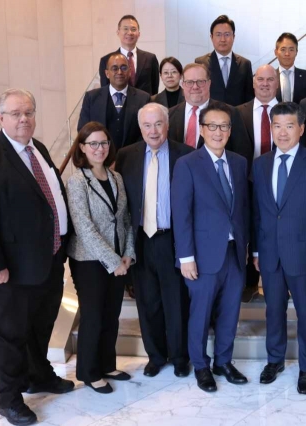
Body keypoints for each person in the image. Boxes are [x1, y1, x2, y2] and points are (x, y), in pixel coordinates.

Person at [0, 88, 74, 426]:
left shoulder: (36, 149)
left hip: (47, 261)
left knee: (40, 326)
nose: (24, 119)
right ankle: (8, 398)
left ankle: (38, 375)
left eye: (28, 113)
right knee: (9, 334)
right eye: (16, 114)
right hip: (8, 269)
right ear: (1, 118)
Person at [252, 102, 306, 394]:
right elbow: (259, 213)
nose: (283, 132)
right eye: (277, 126)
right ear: (270, 128)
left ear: (301, 129)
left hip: (304, 255)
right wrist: (257, 252)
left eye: (289, 126)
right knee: (273, 311)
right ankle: (274, 360)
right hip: (271, 255)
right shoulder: (260, 164)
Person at [171, 103, 250, 393]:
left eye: (224, 126)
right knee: (200, 314)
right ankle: (201, 366)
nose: (219, 132)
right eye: (212, 126)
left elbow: (242, 209)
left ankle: (223, 362)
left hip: (234, 252)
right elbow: (182, 214)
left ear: (230, 130)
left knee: (230, 311)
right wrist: (186, 257)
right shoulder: (187, 164)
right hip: (202, 256)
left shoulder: (240, 163)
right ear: (202, 130)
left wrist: (248, 248)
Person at [115, 103, 194, 378]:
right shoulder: (126, 156)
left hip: (174, 239)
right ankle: (156, 356)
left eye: (158, 124)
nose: (153, 130)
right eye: (147, 125)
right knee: (147, 302)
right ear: (140, 128)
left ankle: (180, 356)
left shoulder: (186, 154)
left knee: (177, 302)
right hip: (141, 240)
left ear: (167, 125)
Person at [66, 121, 135, 394]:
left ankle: (107, 364)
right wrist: (113, 261)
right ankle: (89, 372)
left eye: (103, 143)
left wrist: (128, 253)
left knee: (111, 315)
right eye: (92, 143)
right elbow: (84, 227)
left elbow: (126, 219)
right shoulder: (77, 181)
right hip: (89, 262)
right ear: (82, 147)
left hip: (119, 258)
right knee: (93, 316)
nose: (99, 148)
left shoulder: (116, 177)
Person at [235, 64, 279, 302]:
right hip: (245, 182)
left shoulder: (287, 112)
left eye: (270, 79)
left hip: (278, 182)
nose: (264, 84)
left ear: (277, 83)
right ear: (253, 83)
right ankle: (250, 282)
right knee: (248, 226)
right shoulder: (237, 112)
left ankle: (276, 277)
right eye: (260, 79)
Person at [168, 63, 251, 162]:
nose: (195, 87)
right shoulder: (169, 115)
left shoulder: (230, 113)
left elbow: (242, 152)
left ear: (209, 83)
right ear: (182, 85)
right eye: (189, 82)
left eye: (200, 82)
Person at [79, 53, 150, 150]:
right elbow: (83, 130)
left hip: (132, 158)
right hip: (100, 157)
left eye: (124, 68)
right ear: (107, 73)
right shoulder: (91, 98)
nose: (119, 72)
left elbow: (146, 131)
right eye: (115, 68)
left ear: (129, 72)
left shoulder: (143, 98)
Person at [195, 15, 254, 106]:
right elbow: (198, 92)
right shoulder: (201, 63)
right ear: (211, 37)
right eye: (218, 35)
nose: (223, 39)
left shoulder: (245, 64)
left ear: (233, 37)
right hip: (210, 115)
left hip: (237, 116)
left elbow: (249, 96)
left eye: (227, 34)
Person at [99, 15, 160, 95]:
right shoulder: (106, 60)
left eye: (133, 29)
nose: (130, 32)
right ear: (118, 32)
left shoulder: (150, 58)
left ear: (138, 34)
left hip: (145, 105)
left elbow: (154, 89)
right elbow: (105, 90)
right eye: (125, 29)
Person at [274, 32, 306, 104]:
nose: (287, 54)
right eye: (283, 49)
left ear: (296, 52)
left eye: (291, 49)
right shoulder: (269, 77)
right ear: (276, 52)